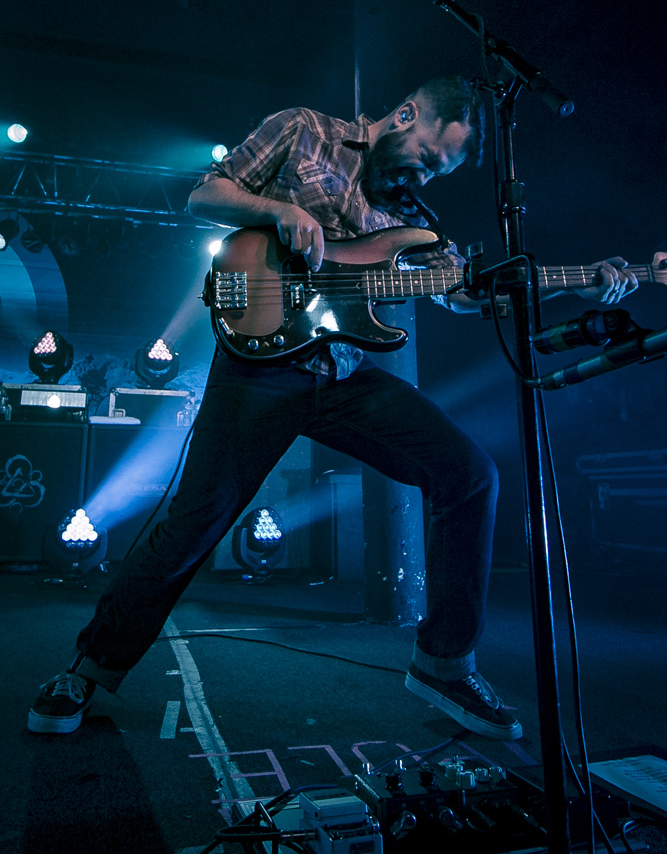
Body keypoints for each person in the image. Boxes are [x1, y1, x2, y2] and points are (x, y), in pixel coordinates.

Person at [28, 76, 638, 739]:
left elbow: (465, 294)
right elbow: (205, 194)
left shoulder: (413, 218)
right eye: (427, 157)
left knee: (469, 475)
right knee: (191, 524)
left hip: (345, 374)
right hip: (260, 369)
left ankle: (444, 663)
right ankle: (86, 671)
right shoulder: (303, 130)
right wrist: (276, 212)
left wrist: (578, 285)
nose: (424, 177)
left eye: (438, 172)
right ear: (404, 116)